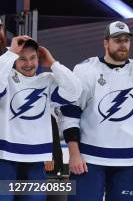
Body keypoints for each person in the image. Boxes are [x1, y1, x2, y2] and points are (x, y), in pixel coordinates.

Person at [59, 21, 133, 200]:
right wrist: (74, 155)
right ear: (106, 42)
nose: (123, 44)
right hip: (89, 160)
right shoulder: (85, 70)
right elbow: (70, 114)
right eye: (117, 40)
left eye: (126, 40)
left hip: (130, 161)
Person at [0, 36, 81, 201]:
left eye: (33, 58)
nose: (28, 64)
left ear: (39, 57)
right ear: (14, 59)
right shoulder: (6, 79)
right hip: (6, 157)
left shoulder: (47, 81)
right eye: (22, 59)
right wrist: (10, 53)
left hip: (37, 159)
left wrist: (53, 63)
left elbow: (74, 92)